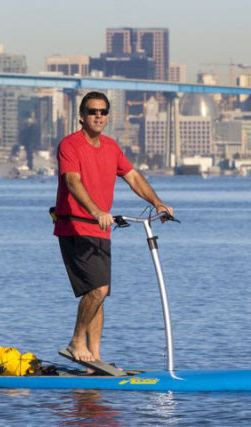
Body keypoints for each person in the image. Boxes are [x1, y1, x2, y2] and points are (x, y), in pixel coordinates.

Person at [53, 91, 173, 368]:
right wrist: (96, 211)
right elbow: (72, 182)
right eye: (93, 111)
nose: (98, 116)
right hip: (75, 227)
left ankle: (94, 356)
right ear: (81, 116)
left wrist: (157, 203)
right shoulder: (69, 145)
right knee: (98, 289)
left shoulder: (111, 147)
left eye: (103, 112)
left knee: (99, 293)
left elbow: (132, 177)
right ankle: (76, 342)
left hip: (101, 230)